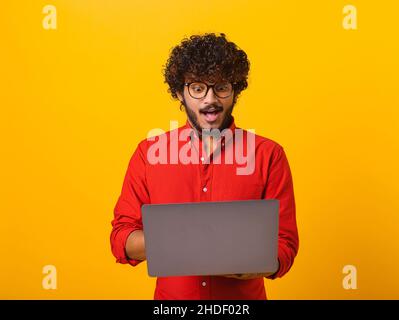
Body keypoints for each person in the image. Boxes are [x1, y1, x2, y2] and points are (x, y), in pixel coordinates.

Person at [110, 33, 299, 300]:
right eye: (197, 88)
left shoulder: (269, 155)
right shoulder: (148, 154)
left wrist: (249, 265)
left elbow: (285, 245)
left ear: (235, 91)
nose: (210, 99)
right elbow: (122, 239)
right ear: (179, 93)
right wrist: (182, 242)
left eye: (221, 87)